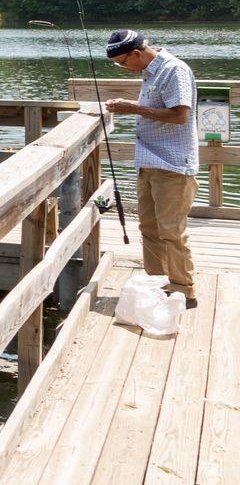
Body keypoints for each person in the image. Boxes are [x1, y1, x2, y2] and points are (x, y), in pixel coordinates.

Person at [103, 29, 198, 304]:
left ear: (136, 53)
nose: (123, 69)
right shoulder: (148, 71)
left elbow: (180, 115)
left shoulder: (173, 70)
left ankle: (184, 291)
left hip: (173, 165)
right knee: (149, 228)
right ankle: (157, 285)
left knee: (171, 231)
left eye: (123, 63)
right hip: (148, 162)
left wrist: (133, 108)